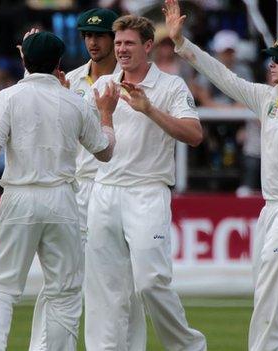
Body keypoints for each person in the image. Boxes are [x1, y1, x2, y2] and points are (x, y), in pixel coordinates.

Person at [164, 0, 278, 350]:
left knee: (269, 299)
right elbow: (223, 76)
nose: (271, 64)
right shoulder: (267, 99)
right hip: (272, 209)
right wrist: (182, 44)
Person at [0, 31, 119, 351]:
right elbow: (104, 152)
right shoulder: (74, 101)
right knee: (64, 293)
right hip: (61, 199)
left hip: (19, 197)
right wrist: (106, 114)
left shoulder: (8, 96)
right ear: (59, 63)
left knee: (1, 288)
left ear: (23, 60)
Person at [84, 14, 207, 351]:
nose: (122, 50)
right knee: (105, 289)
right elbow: (87, 142)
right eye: (119, 42)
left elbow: (195, 135)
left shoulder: (170, 86)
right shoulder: (101, 87)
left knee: (151, 282)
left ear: (148, 45)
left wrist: (149, 109)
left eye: (129, 43)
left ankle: (189, 347)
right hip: (105, 191)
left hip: (147, 192)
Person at [65, 8, 146, 351]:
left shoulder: (134, 80)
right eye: (87, 36)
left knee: (128, 284)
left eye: (99, 36)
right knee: (68, 282)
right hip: (78, 187)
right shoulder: (68, 80)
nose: (93, 43)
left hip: (119, 186)